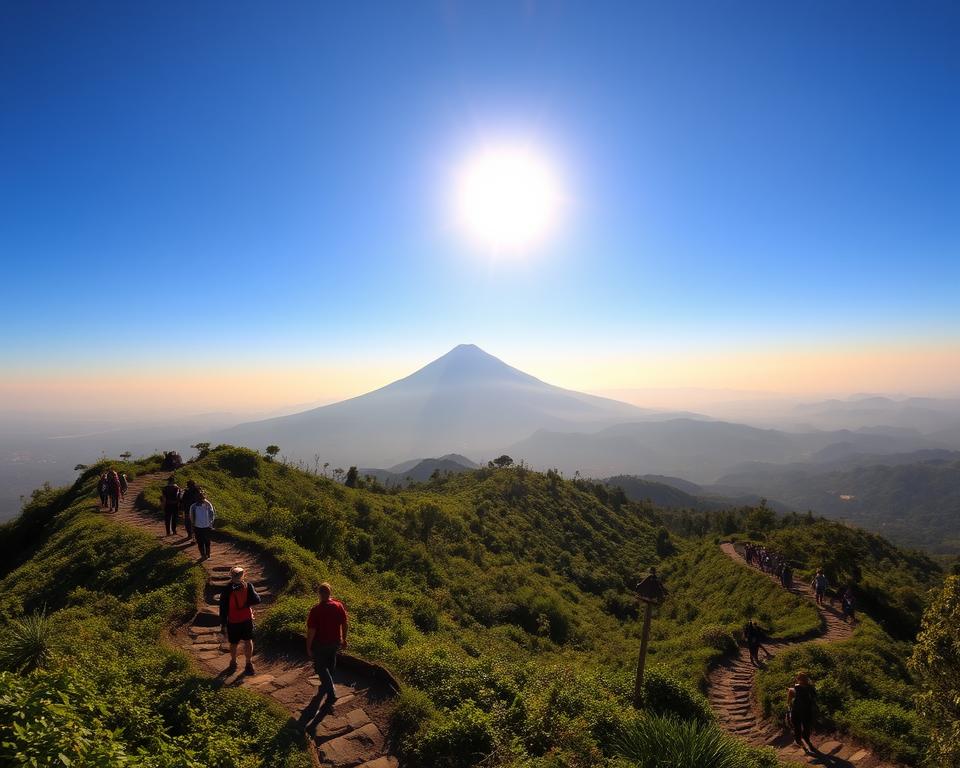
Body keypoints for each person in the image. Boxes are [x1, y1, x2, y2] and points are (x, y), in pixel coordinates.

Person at [305, 583, 348, 716]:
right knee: (331, 663)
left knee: (321, 668)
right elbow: (345, 623)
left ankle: (331, 693)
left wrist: (308, 647)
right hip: (335, 642)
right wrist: (344, 639)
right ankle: (327, 686)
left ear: (319, 594)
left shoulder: (316, 610)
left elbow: (311, 631)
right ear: (330, 593)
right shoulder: (338, 606)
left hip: (320, 644)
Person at [219, 566, 261, 675]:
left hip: (233, 620)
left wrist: (223, 624)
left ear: (231, 575)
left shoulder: (227, 589)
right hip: (246, 619)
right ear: (243, 575)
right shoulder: (248, 586)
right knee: (248, 641)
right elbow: (257, 600)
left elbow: (222, 608)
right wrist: (246, 604)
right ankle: (248, 663)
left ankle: (233, 662)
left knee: (233, 643)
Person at [786, 671, 817, 751]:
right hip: (807, 711)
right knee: (806, 727)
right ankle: (807, 741)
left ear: (798, 679)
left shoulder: (794, 689)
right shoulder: (811, 688)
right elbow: (814, 699)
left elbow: (788, 702)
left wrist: (788, 710)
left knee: (797, 728)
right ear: (807, 679)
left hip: (796, 711)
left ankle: (801, 744)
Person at [190, 488, 215, 560]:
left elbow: (192, 517)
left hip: (198, 526)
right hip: (206, 526)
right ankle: (207, 554)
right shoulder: (208, 504)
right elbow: (212, 515)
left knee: (200, 542)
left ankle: (203, 555)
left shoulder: (193, 506)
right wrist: (211, 523)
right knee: (207, 541)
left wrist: (192, 525)